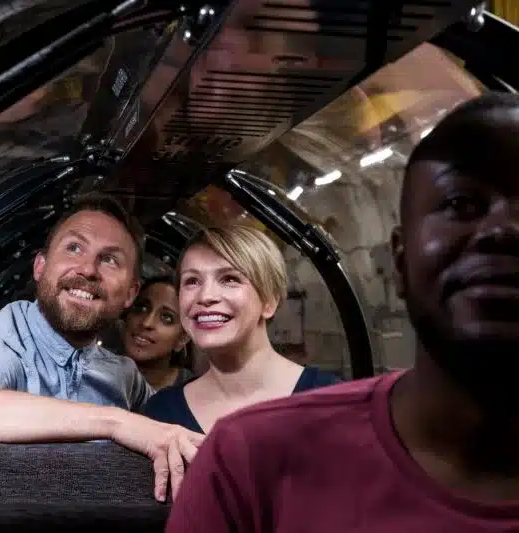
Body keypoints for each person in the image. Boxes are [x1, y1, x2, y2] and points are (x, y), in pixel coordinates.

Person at [166, 92, 519, 532]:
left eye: (230, 279)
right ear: (399, 260)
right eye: (461, 205)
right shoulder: (250, 454)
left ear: (270, 300)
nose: (505, 230)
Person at [0, 194, 204, 502]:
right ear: (40, 267)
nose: (87, 269)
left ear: (130, 293)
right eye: (74, 248)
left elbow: (175, 427)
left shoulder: (123, 375)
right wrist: (114, 423)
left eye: (110, 259)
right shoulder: (6, 340)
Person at [144, 223, 339, 435]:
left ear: (269, 301)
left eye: (229, 279)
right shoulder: (159, 414)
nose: (205, 296)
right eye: (192, 281)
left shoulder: (331, 401)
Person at [122, 275, 193, 391]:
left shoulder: (192, 393)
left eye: (166, 317)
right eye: (142, 308)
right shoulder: (93, 366)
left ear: (182, 338)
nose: (146, 323)